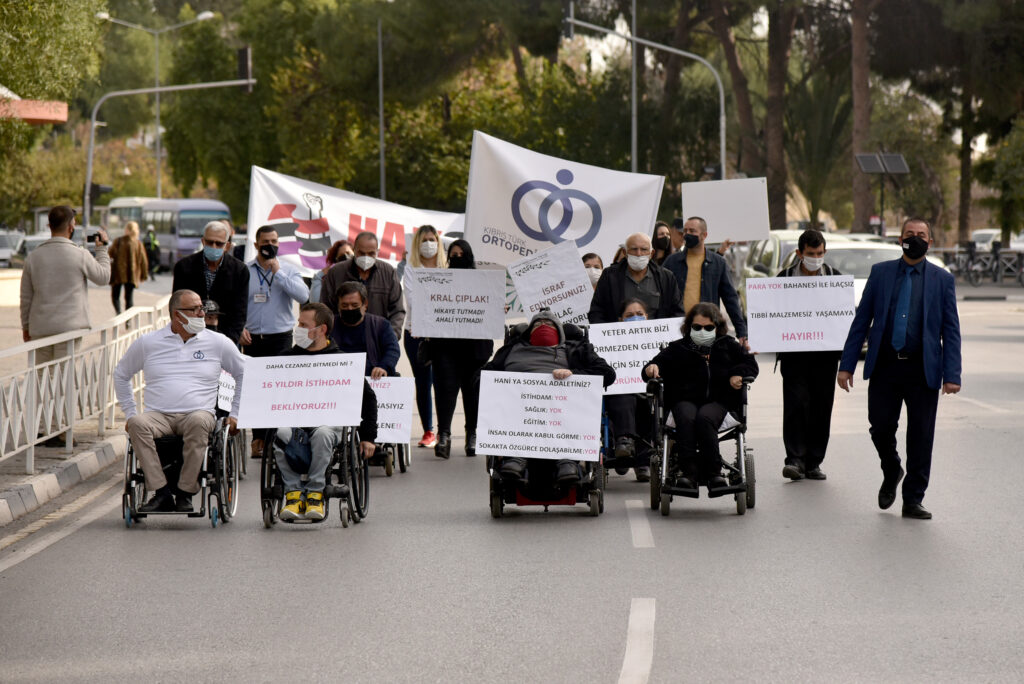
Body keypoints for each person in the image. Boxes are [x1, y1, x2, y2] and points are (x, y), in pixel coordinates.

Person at [837, 217, 961, 520]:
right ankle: (892, 468)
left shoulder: (942, 280)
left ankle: (913, 499)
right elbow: (861, 321)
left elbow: (951, 330)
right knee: (879, 427)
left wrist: (952, 374)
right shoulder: (880, 273)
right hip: (885, 366)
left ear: (930, 242)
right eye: (909, 234)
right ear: (899, 239)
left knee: (921, 436)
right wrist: (846, 365)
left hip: (923, 369)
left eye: (921, 235)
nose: (915, 238)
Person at [113, 289, 246, 513]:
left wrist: (235, 413)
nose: (202, 313)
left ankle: (185, 492)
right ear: (177, 315)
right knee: (136, 423)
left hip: (198, 412)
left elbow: (243, 373)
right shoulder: (148, 342)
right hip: (158, 414)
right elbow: (121, 374)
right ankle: (161, 492)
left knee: (198, 421)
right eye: (195, 309)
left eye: (201, 308)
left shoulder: (218, 342)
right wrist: (130, 411)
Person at [274, 302, 378, 521]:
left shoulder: (341, 361)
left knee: (322, 434)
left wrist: (368, 437)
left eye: (304, 325)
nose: (298, 329)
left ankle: (315, 493)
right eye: (298, 323)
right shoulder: (286, 359)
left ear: (321, 329)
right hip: (295, 422)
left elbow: (368, 398)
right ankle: (293, 494)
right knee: (280, 433)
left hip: (329, 423)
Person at [486, 309, 616, 484]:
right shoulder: (512, 349)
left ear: (560, 331)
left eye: (549, 323)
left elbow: (608, 374)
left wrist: (574, 374)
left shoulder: (576, 349)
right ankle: (515, 456)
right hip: (520, 407)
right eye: (537, 324)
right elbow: (483, 377)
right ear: (528, 332)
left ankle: (567, 459)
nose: (543, 326)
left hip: (564, 408)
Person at [642, 302, 759, 491]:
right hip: (684, 400)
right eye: (697, 327)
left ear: (717, 327)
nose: (702, 331)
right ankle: (688, 473)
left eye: (708, 328)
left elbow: (751, 365)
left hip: (718, 401)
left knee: (705, 417)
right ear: (689, 327)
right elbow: (652, 366)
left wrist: (737, 373)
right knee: (686, 416)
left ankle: (714, 473)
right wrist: (651, 368)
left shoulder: (728, 345)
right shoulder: (678, 348)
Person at [20, 207, 110, 446]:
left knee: (41, 380)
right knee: (64, 380)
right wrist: (102, 249)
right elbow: (103, 276)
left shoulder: (34, 257)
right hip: (70, 329)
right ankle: (61, 430)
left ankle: (41, 429)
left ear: (49, 226)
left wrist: (26, 326)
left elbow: (26, 297)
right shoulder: (79, 254)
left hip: (40, 328)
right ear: (72, 226)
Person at [777, 229, 843, 481]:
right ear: (799, 253)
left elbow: (843, 315)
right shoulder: (784, 278)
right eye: (811, 253)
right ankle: (795, 460)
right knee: (795, 405)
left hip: (825, 356)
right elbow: (772, 313)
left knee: (821, 407)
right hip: (794, 355)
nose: (816, 258)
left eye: (819, 253)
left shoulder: (835, 278)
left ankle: (814, 462)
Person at [241, 225, 310, 458]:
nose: (270, 246)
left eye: (274, 242)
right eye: (265, 242)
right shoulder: (245, 271)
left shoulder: (288, 270)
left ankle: (275, 438)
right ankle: (258, 438)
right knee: (255, 389)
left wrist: (278, 273)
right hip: (252, 339)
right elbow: (237, 303)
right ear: (256, 245)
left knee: (278, 390)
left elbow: (303, 295)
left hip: (280, 338)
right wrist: (239, 328)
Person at [425, 240, 494, 459]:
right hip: (445, 347)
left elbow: (491, 307)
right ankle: (444, 435)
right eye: (453, 255)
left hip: (475, 348)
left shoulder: (484, 281)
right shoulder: (440, 281)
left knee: (473, 394)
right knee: (445, 391)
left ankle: (472, 434)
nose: (457, 258)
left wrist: (497, 307)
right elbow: (429, 306)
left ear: (470, 256)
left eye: (461, 254)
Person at [662, 216, 748, 346]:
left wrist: (742, 333)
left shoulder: (718, 263)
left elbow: (730, 299)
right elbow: (661, 294)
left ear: (704, 235)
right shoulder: (672, 262)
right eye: (685, 231)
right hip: (678, 330)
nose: (687, 234)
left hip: (707, 330)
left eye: (692, 231)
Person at [403, 225, 447, 449]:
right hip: (416, 333)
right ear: (416, 244)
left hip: (443, 334)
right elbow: (413, 301)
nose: (429, 244)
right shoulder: (411, 269)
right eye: (424, 240)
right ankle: (428, 431)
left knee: (443, 382)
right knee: (423, 382)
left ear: (438, 243)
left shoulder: (447, 268)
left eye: (432, 239)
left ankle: (444, 431)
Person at [172, 220, 249, 345]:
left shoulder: (240, 271)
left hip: (225, 338)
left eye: (219, 243)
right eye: (210, 242)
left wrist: (229, 342)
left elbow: (240, 312)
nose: (214, 247)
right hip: (190, 337)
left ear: (227, 246)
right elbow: (177, 307)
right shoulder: (184, 267)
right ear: (203, 241)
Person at [320, 230, 405, 340]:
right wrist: (331, 337)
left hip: (378, 340)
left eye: (371, 253)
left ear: (377, 252)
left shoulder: (388, 273)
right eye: (361, 253)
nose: (366, 257)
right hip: (343, 340)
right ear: (354, 250)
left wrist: (391, 337)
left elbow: (397, 310)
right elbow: (325, 308)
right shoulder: (336, 273)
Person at [605, 298, 655, 481]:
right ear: (621, 320)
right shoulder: (609, 341)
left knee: (650, 404)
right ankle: (623, 444)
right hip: (621, 390)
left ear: (647, 317)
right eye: (630, 315)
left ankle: (643, 460)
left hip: (648, 390)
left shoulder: (657, 338)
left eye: (640, 314)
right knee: (624, 398)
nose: (635, 318)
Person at [589, 232, 684, 323]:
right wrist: (609, 332)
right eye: (634, 249)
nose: (639, 254)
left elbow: (678, 312)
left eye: (644, 249)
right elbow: (596, 311)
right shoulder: (609, 276)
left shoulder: (666, 278)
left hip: (658, 334)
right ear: (625, 252)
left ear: (651, 253)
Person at [330, 282, 401, 379]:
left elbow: (392, 349)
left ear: (365, 304)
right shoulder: (329, 326)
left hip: (372, 378)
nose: (350, 309)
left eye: (354, 305)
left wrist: (383, 367)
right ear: (338, 306)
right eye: (344, 305)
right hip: (337, 377)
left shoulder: (381, 325)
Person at [107, 221, 149, 314]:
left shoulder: (118, 241)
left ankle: (118, 313)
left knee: (115, 296)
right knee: (129, 298)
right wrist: (144, 275)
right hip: (132, 274)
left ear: (126, 229)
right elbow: (144, 261)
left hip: (118, 274)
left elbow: (109, 254)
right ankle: (128, 319)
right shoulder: (138, 244)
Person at [309, 240, 353, 304]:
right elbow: (315, 302)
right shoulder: (329, 278)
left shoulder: (362, 274)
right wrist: (319, 276)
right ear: (336, 260)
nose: (346, 256)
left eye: (348, 253)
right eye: (341, 255)